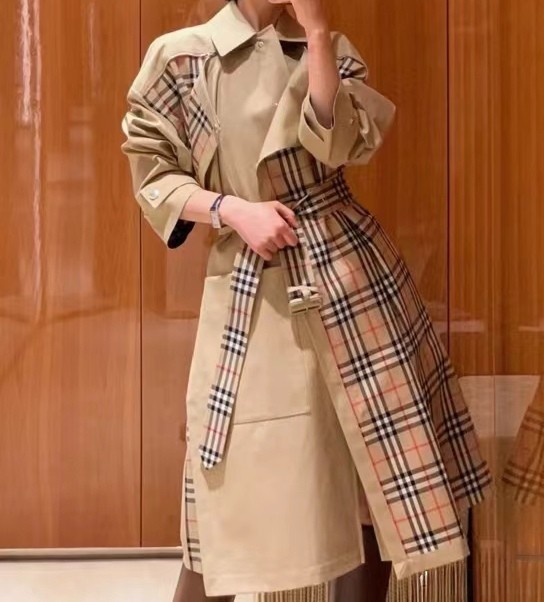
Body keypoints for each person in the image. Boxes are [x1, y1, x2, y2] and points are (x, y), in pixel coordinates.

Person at [121, 1, 492, 601]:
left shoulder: (330, 49)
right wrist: (232, 210)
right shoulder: (183, 56)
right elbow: (153, 176)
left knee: (366, 465)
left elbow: (338, 147)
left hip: (349, 279)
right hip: (250, 282)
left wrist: (317, 33)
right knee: (227, 473)